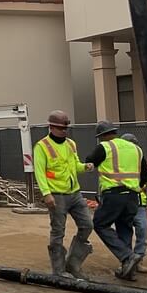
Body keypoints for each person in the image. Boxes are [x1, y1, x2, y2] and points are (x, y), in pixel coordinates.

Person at [33, 110, 94, 277]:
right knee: (58, 231)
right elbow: (39, 172)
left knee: (87, 225)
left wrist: (85, 167)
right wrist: (46, 193)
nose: (64, 131)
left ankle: (72, 264)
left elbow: (75, 165)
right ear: (51, 127)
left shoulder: (71, 144)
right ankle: (58, 270)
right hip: (56, 195)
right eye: (61, 128)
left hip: (74, 193)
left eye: (66, 128)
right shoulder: (42, 147)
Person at [87, 122, 147, 279]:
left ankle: (127, 256)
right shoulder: (136, 149)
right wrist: (136, 186)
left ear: (101, 136)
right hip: (133, 196)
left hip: (114, 195)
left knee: (100, 224)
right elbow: (145, 173)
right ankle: (128, 269)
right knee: (124, 228)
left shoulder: (105, 147)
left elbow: (89, 161)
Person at [120, 133, 147, 274]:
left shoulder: (144, 164)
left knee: (142, 230)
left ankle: (138, 260)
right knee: (125, 233)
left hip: (139, 205)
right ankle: (126, 261)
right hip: (123, 204)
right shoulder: (118, 164)